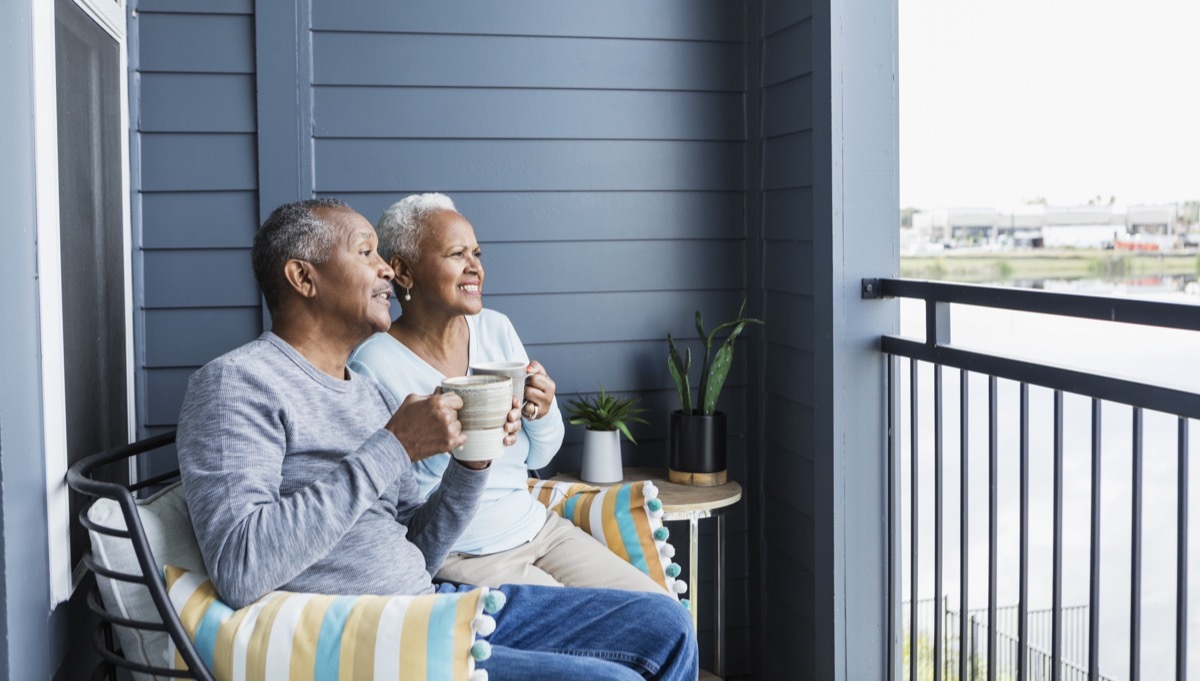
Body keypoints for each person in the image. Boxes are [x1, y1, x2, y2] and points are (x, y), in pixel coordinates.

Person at [176, 198, 696, 681]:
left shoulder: (367, 395)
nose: (385, 268)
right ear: (302, 277)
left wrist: (472, 461)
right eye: (366, 253)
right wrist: (394, 445)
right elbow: (240, 567)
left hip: (432, 605)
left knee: (664, 623)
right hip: (382, 639)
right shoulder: (236, 383)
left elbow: (417, 548)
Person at [348, 192, 666, 594]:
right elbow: (386, 506)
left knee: (658, 609)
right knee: (595, 635)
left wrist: (542, 411)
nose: (475, 267)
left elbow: (538, 456)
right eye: (456, 254)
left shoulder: (497, 330)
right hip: (464, 554)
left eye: (477, 254)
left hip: (539, 529)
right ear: (403, 271)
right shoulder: (373, 366)